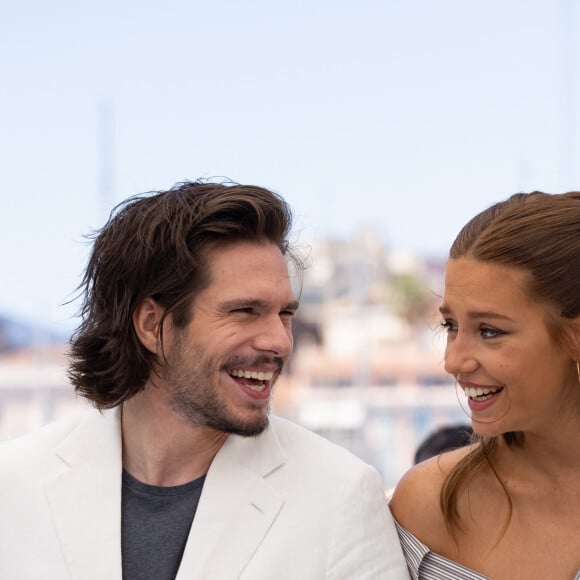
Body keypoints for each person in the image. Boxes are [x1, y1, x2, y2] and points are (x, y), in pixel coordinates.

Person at [0, 180, 409, 580]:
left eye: (285, 314)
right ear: (151, 324)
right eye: (245, 310)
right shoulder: (15, 483)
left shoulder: (340, 495)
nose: (280, 341)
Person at [390, 191, 580, 579]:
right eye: (451, 326)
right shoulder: (428, 505)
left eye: (490, 331)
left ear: (574, 337)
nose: (453, 361)